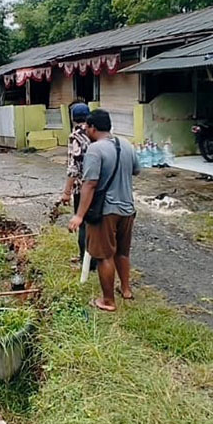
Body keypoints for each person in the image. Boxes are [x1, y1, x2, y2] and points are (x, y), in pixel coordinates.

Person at [68, 109, 141, 312]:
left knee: (104, 256)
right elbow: (136, 170)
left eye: (87, 128)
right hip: (127, 208)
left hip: (106, 211)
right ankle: (126, 290)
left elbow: (90, 184)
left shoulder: (95, 150)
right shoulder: (126, 144)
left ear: (92, 127)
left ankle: (108, 301)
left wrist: (79, 215)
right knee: (123, 253)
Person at [61, 101, 92, 264]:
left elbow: (73, 167)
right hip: (96, 185)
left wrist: (67, 191)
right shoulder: (93, 132)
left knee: (82, 223)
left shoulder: (75, 136)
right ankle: (94, 259)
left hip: (82, 187)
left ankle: (84, 260)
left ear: (73, 118)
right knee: (94, 223)